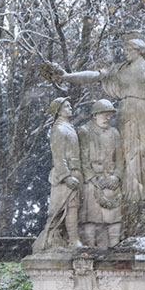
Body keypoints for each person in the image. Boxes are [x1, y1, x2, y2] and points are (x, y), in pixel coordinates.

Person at [44, 36, 145, 205]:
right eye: (125, 50)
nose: (125, 53)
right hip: (125, 113)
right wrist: (67, 76)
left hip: (144, 113)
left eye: (129, 50)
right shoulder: (120, 70)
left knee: (144, 150)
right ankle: (128, 194)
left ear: (139, 50)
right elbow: (94, 76)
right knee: (124, 152)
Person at [33, 97, 83, 252]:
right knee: (60, 209)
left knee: (73, 206)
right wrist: (66, 176)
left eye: (70, 105)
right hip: (64, 177)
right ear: (59, 111)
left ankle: (72, 240)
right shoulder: (59, 129)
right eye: (67, 106)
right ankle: (58, 240)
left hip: (75, 171)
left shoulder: (69, 127)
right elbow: (58, 156)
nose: (70, 108)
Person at [77, 99, 122, 247]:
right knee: (90, 218)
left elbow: (120, 159)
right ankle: (89, 251)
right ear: (95, 115)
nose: (107, 118)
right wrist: (92, 178)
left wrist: (116, 176)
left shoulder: (114, 133)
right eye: (104, 114)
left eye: (109, 115)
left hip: (111, 181)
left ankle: (114, 250)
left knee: (114, 218)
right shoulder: (84, 131)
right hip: (92, 181)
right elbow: (82, 158)